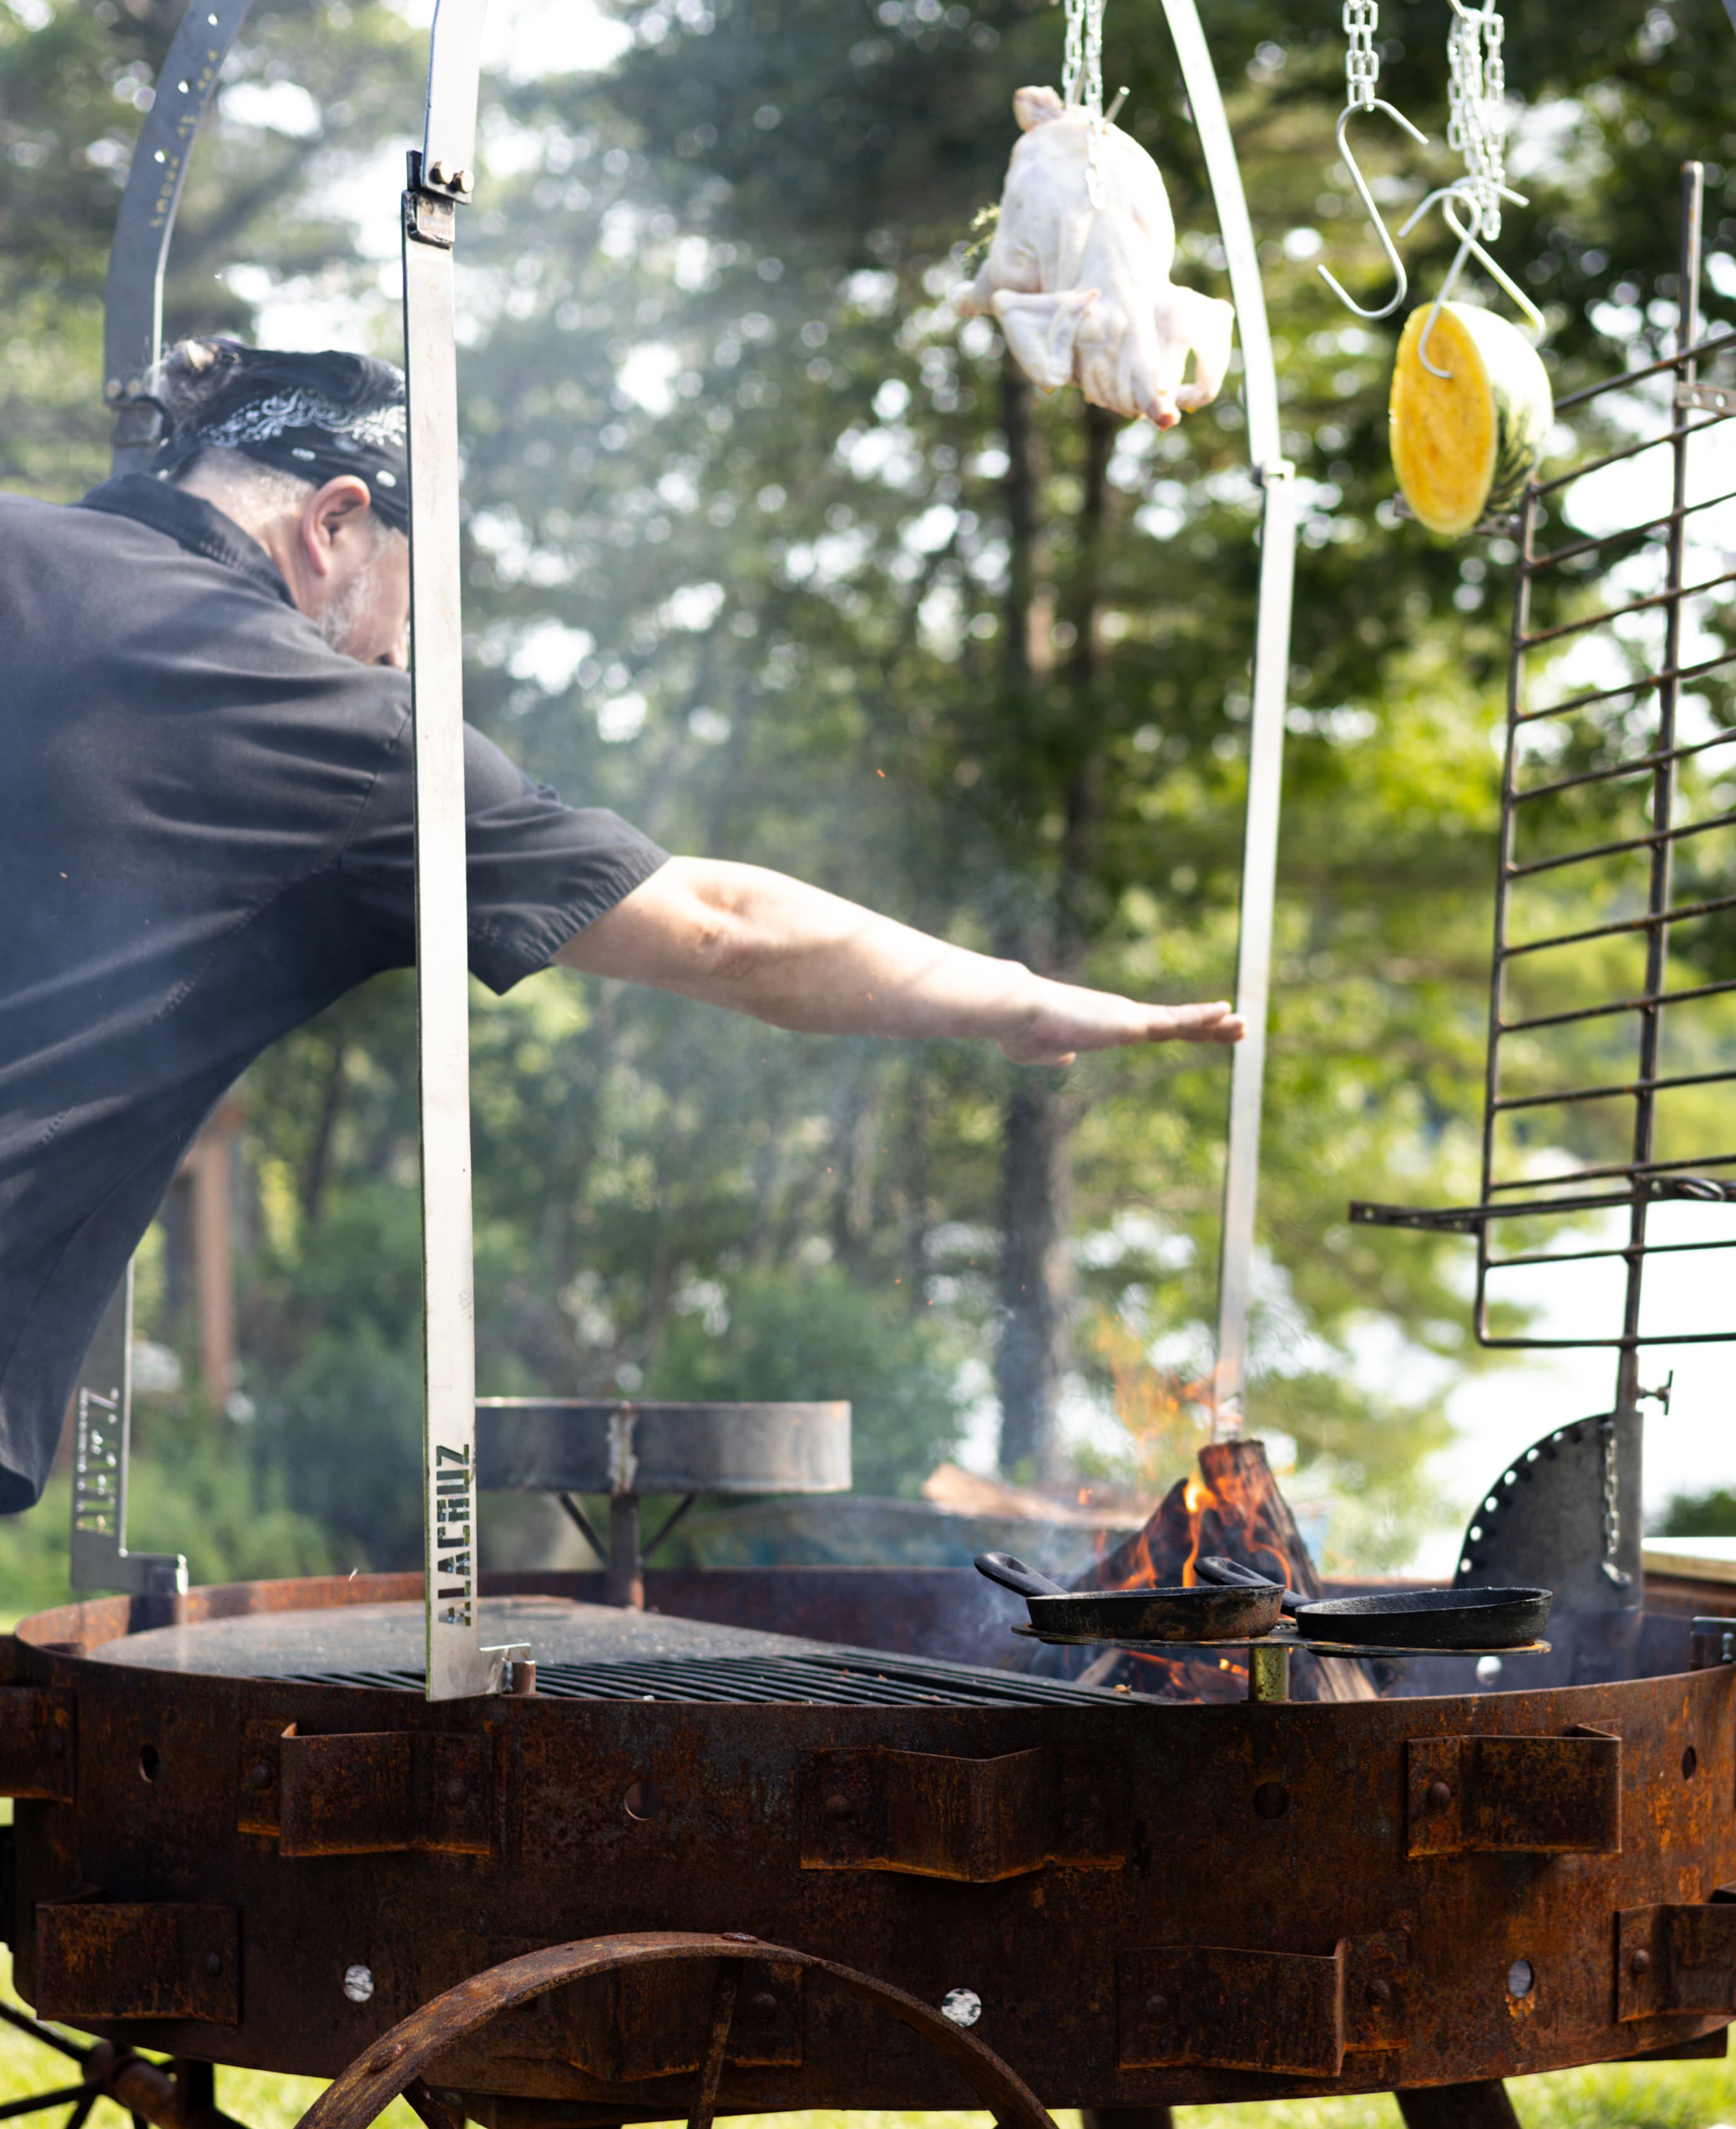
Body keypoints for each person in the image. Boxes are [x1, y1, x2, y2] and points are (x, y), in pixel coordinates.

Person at [0, 336, 1242, 1523]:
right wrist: (1019, 1001)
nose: (405, 649)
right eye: (415, 598)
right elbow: (721, 928)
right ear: (335, 523)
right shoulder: (336, 727)